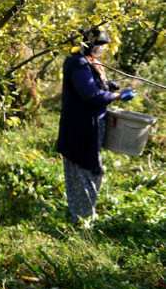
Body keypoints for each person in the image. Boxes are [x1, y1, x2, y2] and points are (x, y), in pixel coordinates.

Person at [56, 26, 135, 223]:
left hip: (92, 124)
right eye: (100, 45)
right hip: (80, 126)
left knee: (91, 168)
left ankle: (86, 216)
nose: (103, 49)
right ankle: (82, 219)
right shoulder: (77, 63)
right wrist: (117, 95)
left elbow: (94, 87)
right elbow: (90, 94)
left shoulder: (89, 62)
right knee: (82, 169)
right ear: (89, 43)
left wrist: (107, 86)